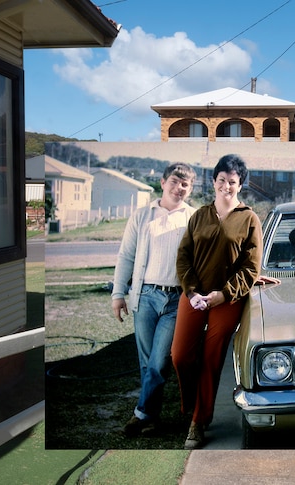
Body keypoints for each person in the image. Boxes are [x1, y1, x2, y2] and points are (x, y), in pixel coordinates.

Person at [172, 154, 263, 449]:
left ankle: (198, 422)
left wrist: (224, 294)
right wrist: (192, 291)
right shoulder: (199, 215)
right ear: (213, 182)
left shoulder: (249, 218)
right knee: (180, 356)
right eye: (221, 180)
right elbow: (184, 256)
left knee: (211, 359)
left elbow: (251, 268)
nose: (226, 186)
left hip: (228, 298)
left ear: (241, 185)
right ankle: (191, 405)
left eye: (232, 182)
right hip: (195, 295)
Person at [111, 162, 197, 437]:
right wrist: (118, 294)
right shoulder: (143, 215)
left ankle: (140, 415)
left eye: (185, 184)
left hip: (176, 300)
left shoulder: (193, 218)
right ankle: (153, 418)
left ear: (190, 189)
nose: (179, 188)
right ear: (162, 182)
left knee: (160, 362)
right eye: (174, 181)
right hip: (145, 296)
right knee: (147, 363)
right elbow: (126, 255)